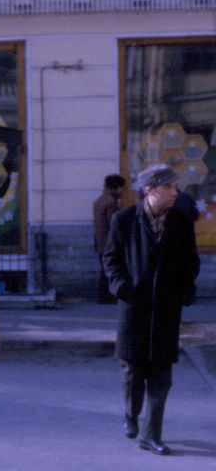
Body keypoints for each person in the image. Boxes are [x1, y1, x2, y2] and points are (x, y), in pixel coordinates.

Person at [103, 164, 199, 456]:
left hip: (167, 310)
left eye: (174, 187)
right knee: (134, 372)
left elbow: (191, 262)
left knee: (162, 377)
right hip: (134, 310)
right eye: (169, 187)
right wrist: (122, 288)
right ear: (150, 189)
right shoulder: (124, 220)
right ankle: (131, 415)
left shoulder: (181, 221)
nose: (175, 192)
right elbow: (111, 259)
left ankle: (151, 433)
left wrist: (183, 290)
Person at [93, 174, 126, 304]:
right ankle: (107, 296)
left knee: (104, 269)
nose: (122, 191)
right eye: (121, 188)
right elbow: (113, 224)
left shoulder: (99, 200)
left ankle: (102, 296)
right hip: (109, 242)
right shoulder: (111, 202)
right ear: (115, 188)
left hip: (100, 241)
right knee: (110, 270)